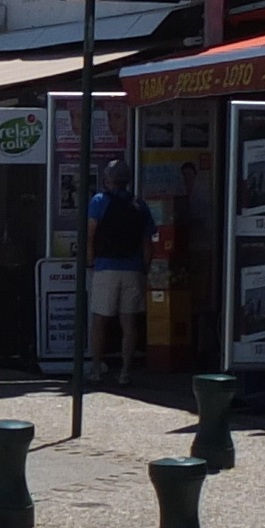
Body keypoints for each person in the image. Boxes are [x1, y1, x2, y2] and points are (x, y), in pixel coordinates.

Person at [86, 156, 155, 384]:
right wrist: (144, 269)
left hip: (105, 267)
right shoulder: (140, 205)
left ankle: (96, 368)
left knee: (99, 320)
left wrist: (90, 263)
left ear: (107, 180)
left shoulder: (99, 201)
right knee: (129, 322)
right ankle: (125, 371)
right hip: (133, 268)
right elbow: (147, 242)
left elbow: (90, 235)